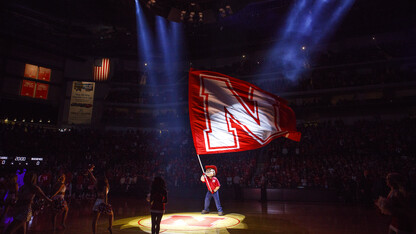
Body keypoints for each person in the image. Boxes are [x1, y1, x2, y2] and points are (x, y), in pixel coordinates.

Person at [88, 165, 114, 234]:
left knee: (95, 220)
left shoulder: (97, 183)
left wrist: (90, 172)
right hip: (102, 202)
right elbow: (105, 196)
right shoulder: (105, 186)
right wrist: (105, 204)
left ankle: (94, 232)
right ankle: (110, 227)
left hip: (97, 202)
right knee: (111, 214)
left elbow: (92, 177)